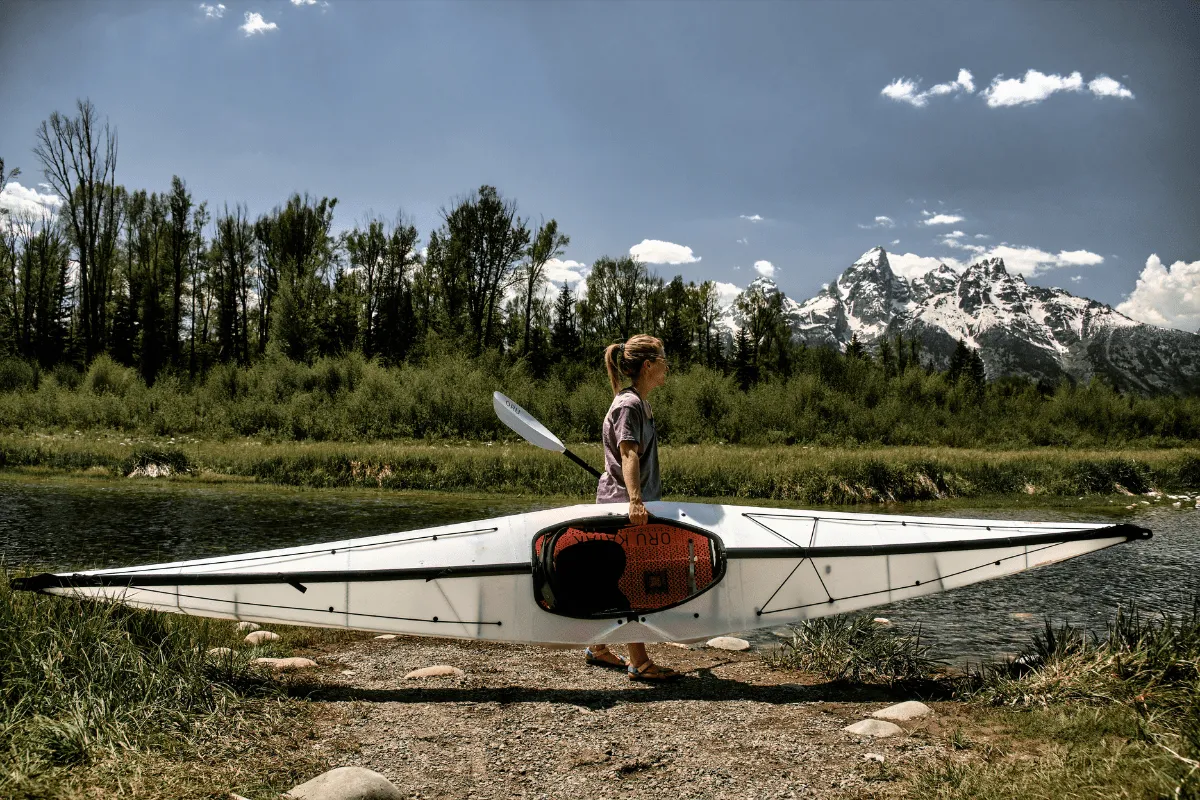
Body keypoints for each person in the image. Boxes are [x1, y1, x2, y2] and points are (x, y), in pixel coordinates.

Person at [584, 333, 681, 681]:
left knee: (617, 579)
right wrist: (636, 501)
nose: (667, 366)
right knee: (633, 581)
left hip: (624, 503)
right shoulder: (629, 405)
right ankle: (638, 661)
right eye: (663, 359)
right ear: (648, 365)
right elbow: (628, 453)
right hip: (624, 508)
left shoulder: (639, 403)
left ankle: (597, 646)